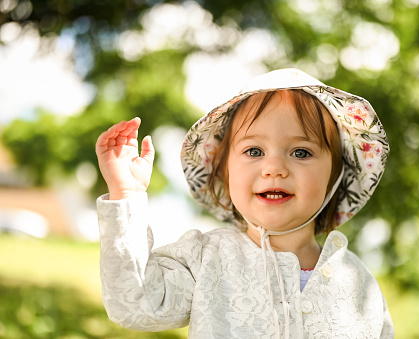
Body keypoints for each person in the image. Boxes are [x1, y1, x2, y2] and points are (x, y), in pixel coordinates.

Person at [96, 68, 394, 338]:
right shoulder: (206, 259)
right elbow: (134, 303)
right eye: (254, 151)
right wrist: (127, 194)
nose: (274, 167)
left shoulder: (359, 285)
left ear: (335, 175)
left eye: (301, 152)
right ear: (224, 173)